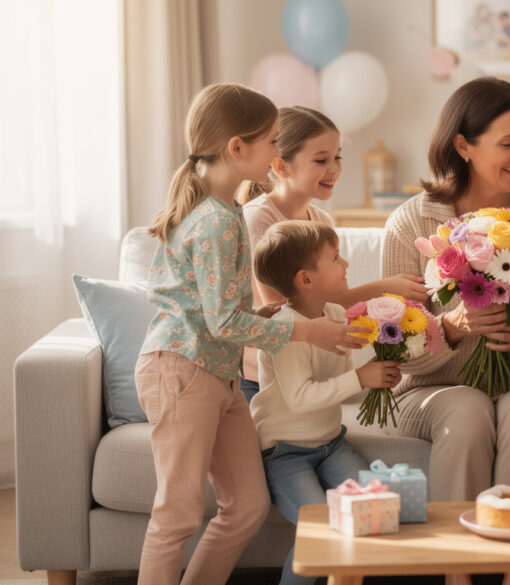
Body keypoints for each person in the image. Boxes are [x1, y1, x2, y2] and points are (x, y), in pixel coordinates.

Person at [133, 83, 366, 585]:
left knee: (245, 506)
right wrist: (305, 330)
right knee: (176, 514)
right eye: (273, 143)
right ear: (237, 148)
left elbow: (230, 315)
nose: (278, 155)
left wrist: (284, 322)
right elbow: (222, 323)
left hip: (219, 374)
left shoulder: (227, 214)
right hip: (182, 369)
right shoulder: (215, 221)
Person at [382, 76, 510, 585]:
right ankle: (458, 575)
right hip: (430, 388)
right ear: (463, 146)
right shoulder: (412, 223)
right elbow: (390, 346)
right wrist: (450, 330)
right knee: (468, 410)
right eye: (509, 143)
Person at [238, 106, 427, 403]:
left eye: (337, 157)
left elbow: (329, 307)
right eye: (321, 159)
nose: (335, 169)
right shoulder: (258, 220)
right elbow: (288, 312)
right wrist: (381, 288)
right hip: (267, 380)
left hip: (317, 373)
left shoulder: (322, 222)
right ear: (281, 166)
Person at [251, 220, 399, 585]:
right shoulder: (288, 329)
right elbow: (301, 399)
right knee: (319, 531)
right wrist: (361, 377)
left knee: (370, 514)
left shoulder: (334, 315)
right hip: (285, 452)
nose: (346, 264)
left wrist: (379, 366)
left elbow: (340, 378)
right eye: (335, 258)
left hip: (331, 443)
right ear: (306, 279)